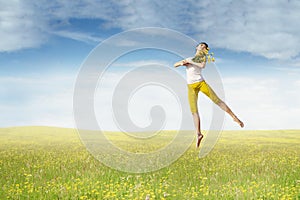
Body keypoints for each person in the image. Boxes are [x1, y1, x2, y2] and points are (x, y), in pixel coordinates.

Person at [174, 42, 244, 148]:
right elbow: (175, 64)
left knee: (217, 101)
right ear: (197, 47)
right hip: (191, 87)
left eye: (205, 47)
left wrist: (190, 61)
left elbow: (202, 65)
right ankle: (198, 134)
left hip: (201, 83)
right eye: (201, 45)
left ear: (205, 50)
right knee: (194, 111)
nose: (203, 46)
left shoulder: (202, 58)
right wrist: (182, 63)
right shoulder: (189, 58)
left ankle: (235, 117)